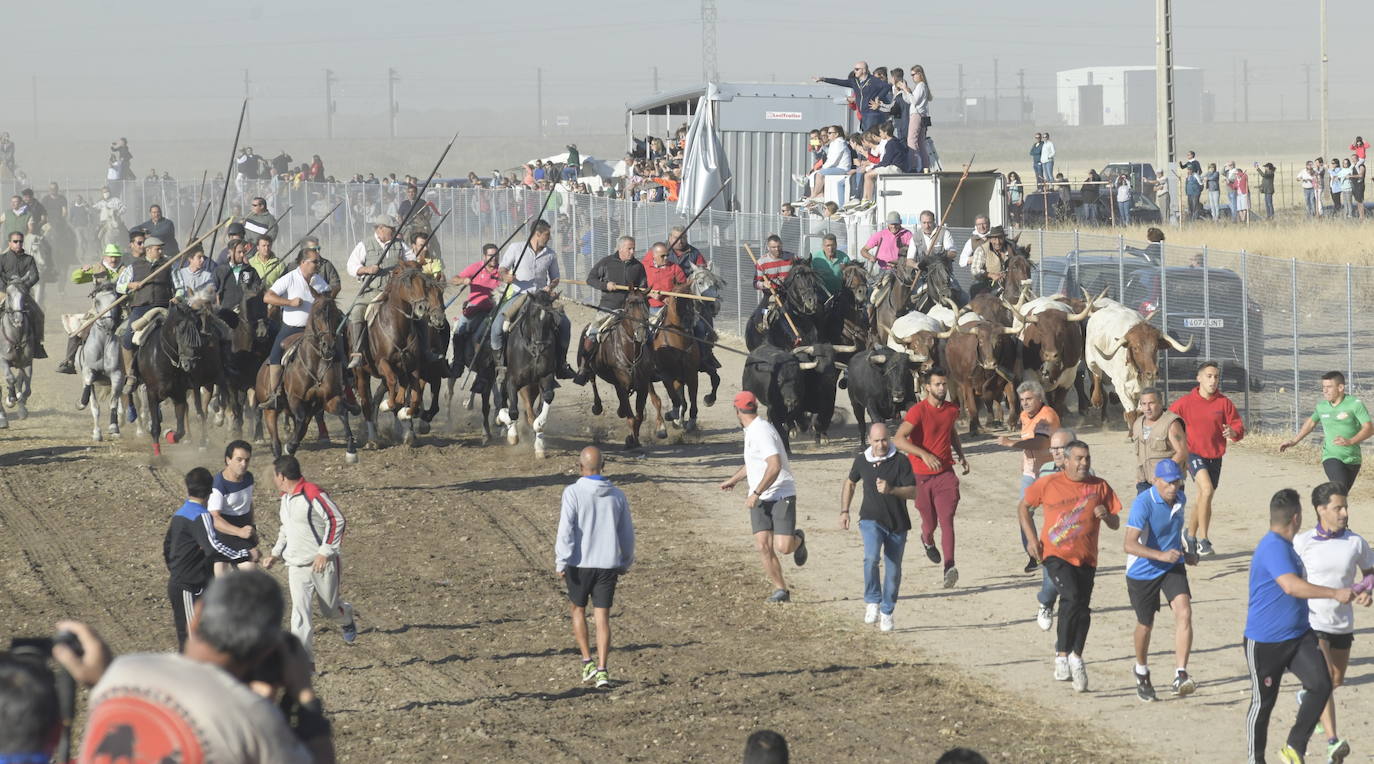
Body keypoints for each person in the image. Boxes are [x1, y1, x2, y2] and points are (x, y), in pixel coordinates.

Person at [78, 571, 332, 762]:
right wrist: (304, 695)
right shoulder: (255, 719)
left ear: (197, 614)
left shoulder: (121, 672)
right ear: (266, 649)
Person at [1243, 488, 1355, 764]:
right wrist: (1333, 593)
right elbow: (1291, 587)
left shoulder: (1287, 546)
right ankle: (1255, 759)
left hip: (1298, 635)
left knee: (1321, 684)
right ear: (1296, 517)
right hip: (1266, 641)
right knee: (1263, 703)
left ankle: (1294, 746)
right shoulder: (1272, 547)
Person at [1018, 441, 1121, 693]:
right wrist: (1032, 540)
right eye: (1078, 458)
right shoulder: (1049, 483)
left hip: (1086, 557)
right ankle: (1061, 656)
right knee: (1071, 596)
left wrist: (1106, 516)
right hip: (1055, 554)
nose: (1084, 463)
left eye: (1086, 458)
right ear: (1064, 460)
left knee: (1081, 609)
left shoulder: (1100, 486)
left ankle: (1075, 656)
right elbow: (1023, 506)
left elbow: (1116, 522)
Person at [1292, 483, 1373, 762]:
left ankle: (1308, 699)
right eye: (1338, 507)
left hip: (1342, 623)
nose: (1345, 512)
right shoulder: (1302, 542)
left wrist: (1364, 590)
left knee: (1336, 679)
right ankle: (1332, 742)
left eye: (1345, 506)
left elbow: (1370, 572)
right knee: (1325, 679)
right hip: (1312, 622)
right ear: (1321, 509)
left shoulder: (1355, 542)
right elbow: (1288, 580)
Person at [555, 445, 636, 689]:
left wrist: (562, 560)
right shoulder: (617, 495)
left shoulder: (572, 493)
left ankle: (586, 660)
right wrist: (625, 561)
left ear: (580, 467)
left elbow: (566, 529)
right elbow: (627, 534)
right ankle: (602, 669)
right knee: (602, 618)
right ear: (603, 466)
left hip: (579, 564)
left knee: (577, 610)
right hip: (607, 565)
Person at [262, 455, 358, 659]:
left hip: (322, 564)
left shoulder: (312, 493)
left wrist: (324, 552)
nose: (273, 479)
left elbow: (336, 520)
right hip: (296, 565)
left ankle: (347, 617)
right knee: (300, 614)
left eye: (274, 475)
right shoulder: (285, 498)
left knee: (329, 610)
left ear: (281, 476)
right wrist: (275, 554)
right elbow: (285, 529)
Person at [719, 391, 807, 604]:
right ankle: (781, 590)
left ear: (737, 410)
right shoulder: (751, 430)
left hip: (780, 492)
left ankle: (799, 539)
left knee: (784, 547)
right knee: (762, 546)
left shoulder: (761, 431)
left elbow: (774, 466)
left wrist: (756, 493)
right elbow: (754, 463)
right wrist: (734, 479)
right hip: (759, 496)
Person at [1124, 459, 1199, 702]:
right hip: (1142, 571)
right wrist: (1161, 555)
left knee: (1184, 612)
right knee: (1145, 624)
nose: (1173, 487)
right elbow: (1129, 544)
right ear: (1156, 481)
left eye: (1176, 481)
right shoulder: (1143, 503)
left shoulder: (1181, 499)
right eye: (1168, 482)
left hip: (1171, 566)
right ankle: (1141, 671)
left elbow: (1173, 533)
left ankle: (1181, 674)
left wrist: (1184, 554)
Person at [164, 467, 256, 649]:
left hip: (189, 583)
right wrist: (245, 554)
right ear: (210, 491)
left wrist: (176, 569)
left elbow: (167, 547)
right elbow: (214, 548)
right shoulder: (201, 516)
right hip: (188, 587)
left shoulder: (180, 514)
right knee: (193, 641)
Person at [894, 367, 968, 588]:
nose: (942, 388)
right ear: (927, 387)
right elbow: (898, 439)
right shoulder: (917, 411)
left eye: (944, 384)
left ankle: (949, 566)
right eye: (937, 384)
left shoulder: (952, 409)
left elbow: (950, 431)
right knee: (930, 523)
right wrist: (924, 454)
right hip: (921, 477)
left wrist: (961, 455)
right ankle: (926, 539)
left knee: (947, 520)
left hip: (946, 473)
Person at [842, 421, 917, 630]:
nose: (881, 445)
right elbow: (850, 482)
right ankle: (872, 600)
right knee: (871, 557)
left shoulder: (901, 461)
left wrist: (892, 490)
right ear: (869, 441)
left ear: (890, 439)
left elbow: (914, 492)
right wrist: (845, 510)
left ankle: (886, 611)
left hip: (897, 523)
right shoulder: (861, 460)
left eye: (884, 440)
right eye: (876, 441)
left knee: (893, 571)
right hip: (870, 519)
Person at [1170, 361, 1245, 557]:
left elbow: (1238, 426)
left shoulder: (1224, 403)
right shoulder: (1185, 403)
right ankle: (1203, 540)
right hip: (1193, 453)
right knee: (1207, 490)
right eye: (1209, 376)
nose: (1213, 380)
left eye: (1216, 377)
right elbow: (1169, 422)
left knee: (1205, 497)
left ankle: (1189, 534)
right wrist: (1177, 447)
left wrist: (1233, 431)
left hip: (1215, 455)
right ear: (1199, 378)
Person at [487, 219, 574, 378]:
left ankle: (561, 364)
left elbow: (555, 278)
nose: (549, 238)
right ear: (537, 234)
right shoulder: (516, 248)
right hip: (519, 295)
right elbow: (502, 269)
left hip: (541, 298)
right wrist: (506, 276)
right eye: (547, 235)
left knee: (565, 324)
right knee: (497, 326)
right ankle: (500, 365)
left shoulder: (550, 254)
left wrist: (551, 286)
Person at [999, 380, 1060, 572]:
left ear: (1039, 398)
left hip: (1050, 471)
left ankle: (1056, 553)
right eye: (1022, 399)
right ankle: (1034, 555)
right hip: (1029, 472)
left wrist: (1011, 443)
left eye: (1029, 399)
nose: (1025, 403)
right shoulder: (1024, 416)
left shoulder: (1048, 414)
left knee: (1055, 514)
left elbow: (1040, 443)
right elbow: (1029, 442)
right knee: (1024, 511)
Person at [1279, 371, 1373, 492]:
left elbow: (1369, 429)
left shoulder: (1355, 404)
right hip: (1331, 456)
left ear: (1340, 387)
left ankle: (1330, 509)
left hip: (1353, 459)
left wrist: (1351, 441)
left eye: (1329, 387)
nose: (1325, 390)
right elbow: (1311, 423)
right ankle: (1323, 507)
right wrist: (1294, 441)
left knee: (1341, 495)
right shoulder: (1322, 407)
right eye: (1323, 387)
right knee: (1338, 489)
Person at [260, 250, 331, 408]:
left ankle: (343, 387)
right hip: (292, 328)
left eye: (318, 262)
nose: (318, 265)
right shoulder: (290, 278)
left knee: (335, 349)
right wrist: (289, 302)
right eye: (315, 262)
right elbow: (267, 297)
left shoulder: (319, 281)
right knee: (275, 355)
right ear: (303, 263)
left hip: (315, 331)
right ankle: (275, 393)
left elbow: (328, 297)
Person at [575, 235, 649, 383]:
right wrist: (605, 285)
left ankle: (650, 366)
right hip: (609, 308)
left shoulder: (638, 266)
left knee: (647, 333)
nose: (632, 251)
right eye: (629, 248)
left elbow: (643, 287)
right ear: (620, 248)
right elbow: (591, 279)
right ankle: (584, 368)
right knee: (592, 332)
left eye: (634, 248)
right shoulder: (607, 262)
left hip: (630, 310)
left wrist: (642, 291)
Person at [345, 215, 413, 369]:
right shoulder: (365, 244)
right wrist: (367, 269)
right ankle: (357, 353)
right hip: (372, 291)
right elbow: (351, 266)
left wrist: (405, 267)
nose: (394, 232)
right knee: (356, 312)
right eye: (392, 229)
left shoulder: (400, 244)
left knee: (419, 312)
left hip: (395, 292)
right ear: (380, 228)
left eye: (395, 229)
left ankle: (425, 350)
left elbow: (411, 260)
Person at [1029, 428, 1077, 632]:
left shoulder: (1086, 472)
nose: (1056, 452)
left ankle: (1066, 645)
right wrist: (1032, 540)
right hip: (1052, 541)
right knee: (1051, 584)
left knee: (1074, 592)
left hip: (1078, 542)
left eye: (1061, 448)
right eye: (1053, 448)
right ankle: (1046, 604)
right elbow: (1027, 507)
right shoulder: (1046, 471)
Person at [116, 234, 173, 392]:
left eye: (161, 249)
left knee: (181, 332)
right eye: (158, 249)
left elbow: (179, 285)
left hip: (164, 306)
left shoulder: (168, 265)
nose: (161, 251)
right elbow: (119, 286)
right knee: (127, 338)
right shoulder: (133, 267)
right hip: (141, 308)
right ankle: (131, 374)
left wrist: (179, 296)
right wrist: (130, 285)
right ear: (148, 250)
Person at [448, 243, 503, 375]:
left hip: (494, 311)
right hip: (474, 309)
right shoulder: (476, 268)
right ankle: (458, 363)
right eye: (490, 255)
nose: (494, 258)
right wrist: (463, 280)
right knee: (459, 331)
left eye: (496, 255)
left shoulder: (502, 270)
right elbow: (454, 280)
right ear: (484, 256)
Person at [209, 439, 258, 575]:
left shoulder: (248, 478)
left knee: (250, 575)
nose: (243, 464)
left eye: (247, 460)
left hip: (243, 531)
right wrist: (239, 532)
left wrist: (252, 527)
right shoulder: (218, 485)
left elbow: (249, 503)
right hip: (224, 534)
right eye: (239, 459)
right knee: (223, 581)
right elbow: (215, 519)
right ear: (228, 460)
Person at [0, 230, 47, 358]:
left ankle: (37, 345)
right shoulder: (2, 259)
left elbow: (35, 276)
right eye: (15, 241)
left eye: (20, 241)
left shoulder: (29, 259)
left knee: (39, 314)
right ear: (9, 243)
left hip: (23, 294)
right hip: (4, 293)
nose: (18, 244)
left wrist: (23, 287)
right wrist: (6, 288)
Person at [1131, 387, 1188, 495]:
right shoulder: (1137, 424)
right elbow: (1140, 455)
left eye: (1151, 403)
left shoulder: (1171, 423)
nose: (1147, 408)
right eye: (1143, 404)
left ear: (1160, 403)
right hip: (1144, 483)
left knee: (1167, 512)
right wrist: (1138, 477)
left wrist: (1162, 474)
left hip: (1168, 483)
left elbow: (1182, 452)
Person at [814, 61, 891, 131]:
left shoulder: (873, 80)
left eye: (857, 69)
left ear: (864, 70)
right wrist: (823, 79)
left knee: (869, 138)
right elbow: (839, 81)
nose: (855, 71)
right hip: (863, 115)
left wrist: (878, 98)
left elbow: (887, 87)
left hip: (872, 115)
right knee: (865, 139)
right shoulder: (855, 82)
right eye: (854, 69)